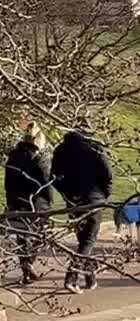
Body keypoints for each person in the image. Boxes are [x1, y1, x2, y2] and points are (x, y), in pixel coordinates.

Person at [52, 129, 113, 294]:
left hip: (73, 199)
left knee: (83, 238)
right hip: (93, 198)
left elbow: (54, 177)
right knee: (88, 240)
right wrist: (105, 193)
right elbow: (107, 174)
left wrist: (65, 192)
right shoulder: (95, 148)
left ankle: (90, 276)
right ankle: (71, 277)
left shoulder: (61, 150)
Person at [4, 123, 52, 284]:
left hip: (17, 201)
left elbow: (8, 183)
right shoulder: (38, 159)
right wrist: (49, 200)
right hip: (37, 203)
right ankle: (29, 263)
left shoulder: (13, 157)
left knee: (22, 236)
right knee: (40, 235)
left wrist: (10, 201)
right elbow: (45, 183)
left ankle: (26, 268)